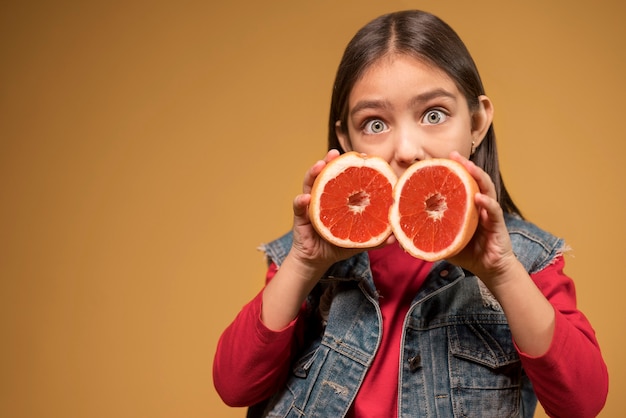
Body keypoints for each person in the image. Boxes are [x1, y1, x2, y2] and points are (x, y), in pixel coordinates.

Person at [213, 10, 608, 418]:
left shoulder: (526, 260)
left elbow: (583, 402)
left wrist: (504, 273)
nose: (406, 148)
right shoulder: (310, 261)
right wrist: (302, 264)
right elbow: (234, 385)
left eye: (433, 115)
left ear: (476, 123)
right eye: (375, 124)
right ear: (346, 141)